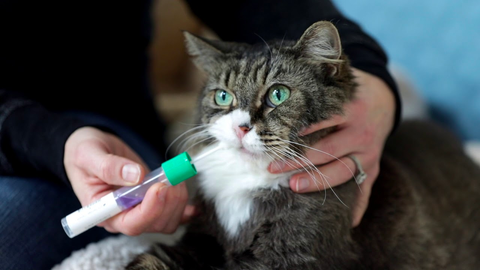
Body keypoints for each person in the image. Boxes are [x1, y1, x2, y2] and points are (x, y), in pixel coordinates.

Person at [0, 0, 400, 269]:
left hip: (106, 123)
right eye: (223, 97)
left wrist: (377, 82)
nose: (242, 122)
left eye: (276, 96)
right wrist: (50, 140)